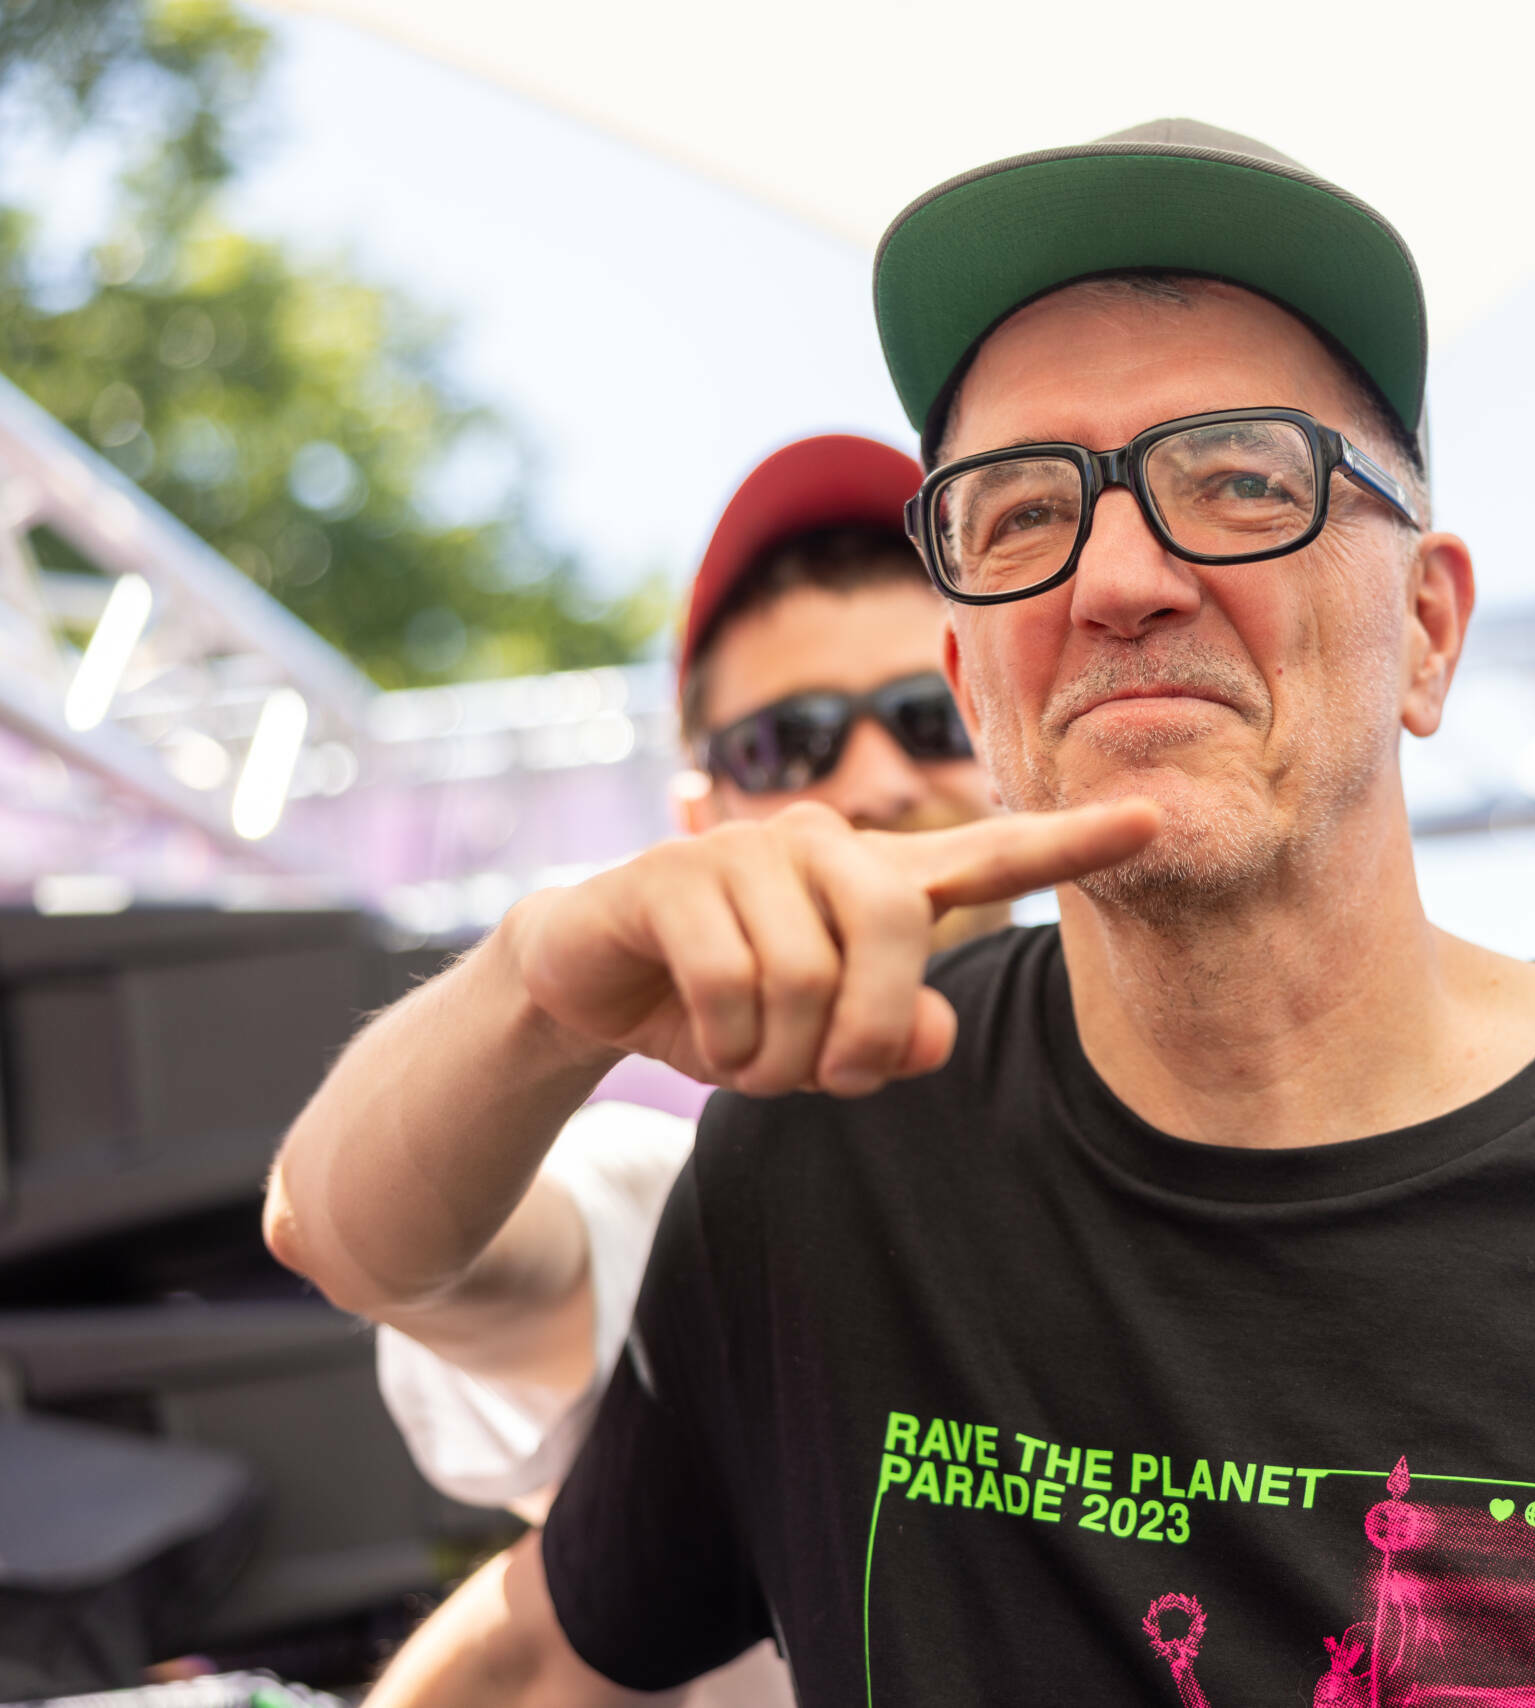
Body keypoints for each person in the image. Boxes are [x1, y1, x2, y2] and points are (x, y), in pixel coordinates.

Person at [282, 120, 1535, 1706]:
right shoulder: (822, 1177)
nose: (1115, 574)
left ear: (1427, 624)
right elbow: (558, 1611)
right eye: (1020, 509)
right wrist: (548, 975)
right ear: (983, 663)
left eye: (1237, 479)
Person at [268, 432, 1002, 1707]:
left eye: (933, 718)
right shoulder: (688, 1195)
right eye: (789, 744)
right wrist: (537, 997)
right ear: (702, 814)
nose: (877, 782)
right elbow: (349, 1240)